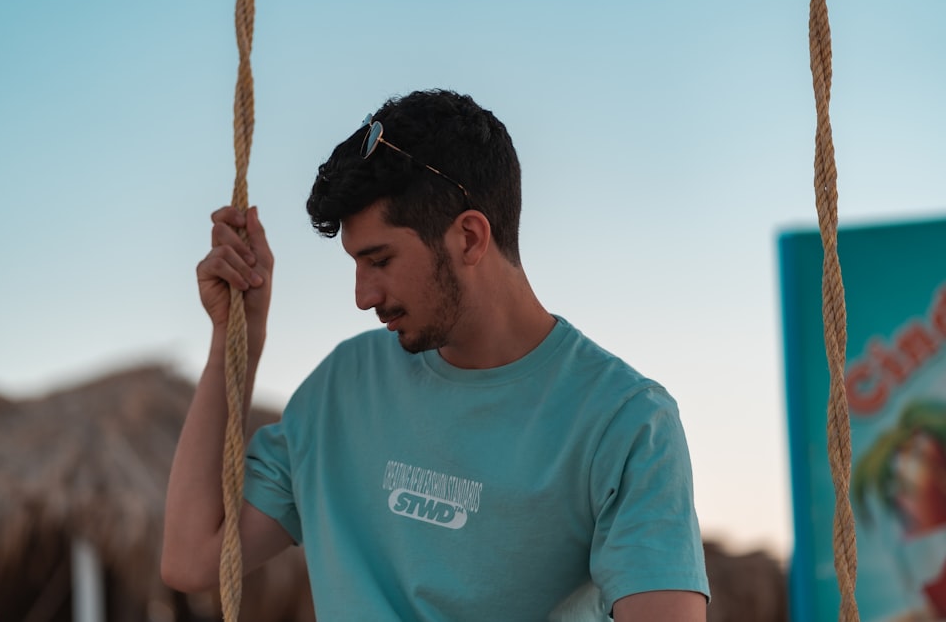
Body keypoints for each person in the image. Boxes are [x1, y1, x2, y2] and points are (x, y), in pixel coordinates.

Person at [162, 89, 710, 620]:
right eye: (356, 263)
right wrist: (235, 343)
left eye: (379, 260)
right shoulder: (343, 387)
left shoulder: (627, 421)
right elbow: (191, 559)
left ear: (469, 238)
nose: (362, 296)